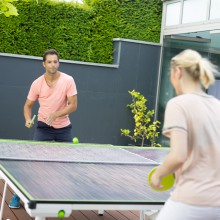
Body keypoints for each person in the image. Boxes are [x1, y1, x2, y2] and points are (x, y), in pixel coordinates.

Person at [150, 49, 220, 220]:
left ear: (178, 72)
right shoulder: (217, 106)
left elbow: (178, 156)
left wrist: (159, 174)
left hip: (192, 200)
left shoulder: (178, 104)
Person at [9, 49, 77, 209]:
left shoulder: (68, 80)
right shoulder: (37, 83)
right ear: (44, 64)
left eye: (55, 61)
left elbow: (73, 105)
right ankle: (17, 195)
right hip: (43, 128)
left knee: (68, 164)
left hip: (63, 129)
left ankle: (63, 195)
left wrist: (56, 114)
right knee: (33, 163)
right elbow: (28, 106)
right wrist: (27, 119)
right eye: (49, 62)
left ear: (58, 63)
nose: (53, 64)